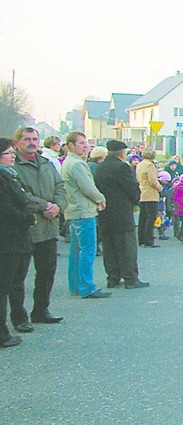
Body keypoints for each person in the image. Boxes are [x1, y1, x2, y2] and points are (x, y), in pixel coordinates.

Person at [11, 127, 67, 329]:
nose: (32, 142)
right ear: (17, 142)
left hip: (49, 227)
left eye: (35, 138)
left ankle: (41, 310)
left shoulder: (45, 163)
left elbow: (60, 186)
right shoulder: (12, 165)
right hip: (25, 228)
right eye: (27, 139)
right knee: (18, 276)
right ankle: (19, 317)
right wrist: (44, 206)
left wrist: (59, 206)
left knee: (47, 271)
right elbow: (19, 194)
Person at [60, 131, 110, 299]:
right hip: (83, 211)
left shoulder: (70, 162)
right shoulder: (77, 165)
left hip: (74, 210)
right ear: (71, 146)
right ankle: (86, 286)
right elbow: (88, 187)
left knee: (76, 250)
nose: (85, 146)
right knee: (87, 249)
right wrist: (101, 199)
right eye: (81, 143)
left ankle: (75, 284)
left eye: (85, 142)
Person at [94, 140, 150, 289]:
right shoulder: (121, 167)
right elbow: (131, 188)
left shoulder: (100, 167)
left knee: (109, 247)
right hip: (121, 213)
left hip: (104, 212)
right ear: (121, 153)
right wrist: (136, 197)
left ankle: (113, 277)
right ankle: (131, 278)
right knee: (126, 247)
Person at [0, 138, 35, 347]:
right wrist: (28, 218)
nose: (12, 156)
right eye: (7, 153)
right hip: (8, 240)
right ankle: (2, 334)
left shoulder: (10, 176)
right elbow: (6, 210)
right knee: (4, 287)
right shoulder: (3, 179)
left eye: (13, 152)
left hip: (18, 239)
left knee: (14, 282)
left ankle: (14, 322)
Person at [136, 147, 163, 248]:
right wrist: (160, 188)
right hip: (150, 194)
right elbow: (152, 180)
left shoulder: (140, 164)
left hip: (142, 191)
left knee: (143, 217)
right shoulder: (150, 165)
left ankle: (141, 239)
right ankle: (149, 239)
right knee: (151, 217)